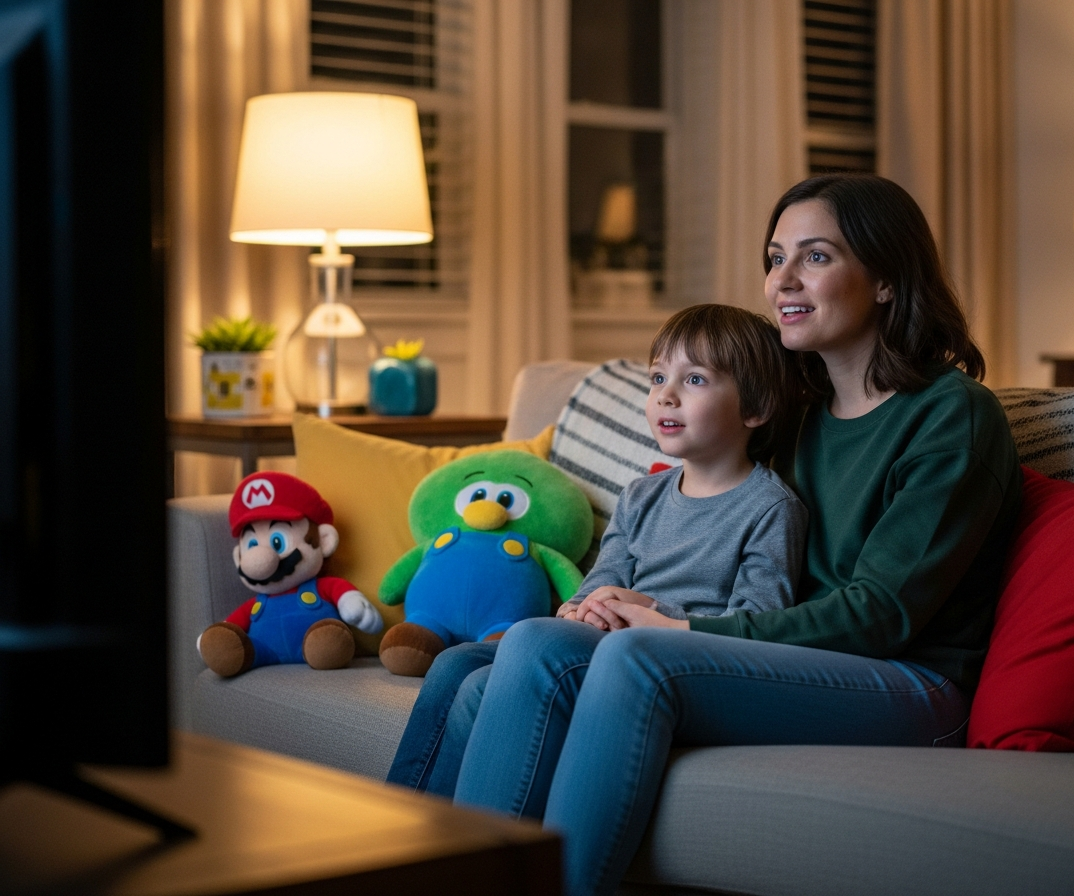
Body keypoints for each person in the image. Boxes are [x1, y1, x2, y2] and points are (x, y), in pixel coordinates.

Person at [393, 173, 1023, 896]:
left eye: (815, 257)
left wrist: (679, 625)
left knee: (637, 660)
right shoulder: (799, 412)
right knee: (498, 660)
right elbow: (691, 499)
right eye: (774, 256)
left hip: (912, 683)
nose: (782, 279)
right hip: (792, 656)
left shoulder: (952, 416)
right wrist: (605, 602)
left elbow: (881, 615)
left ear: (885, 279)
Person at [386, 303, 809, 793]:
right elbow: (605, 575)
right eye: (657, 379)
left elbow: (758, 620)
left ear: (755, 408)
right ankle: (405, 817)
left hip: (661, 657)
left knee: (486, 685)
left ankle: (461, 842)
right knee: (456, 662)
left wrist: (646, 607)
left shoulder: (771, 508)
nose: (666, 397)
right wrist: (580, 606)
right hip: (599, 635)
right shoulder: (641, 495)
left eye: (694, 380)